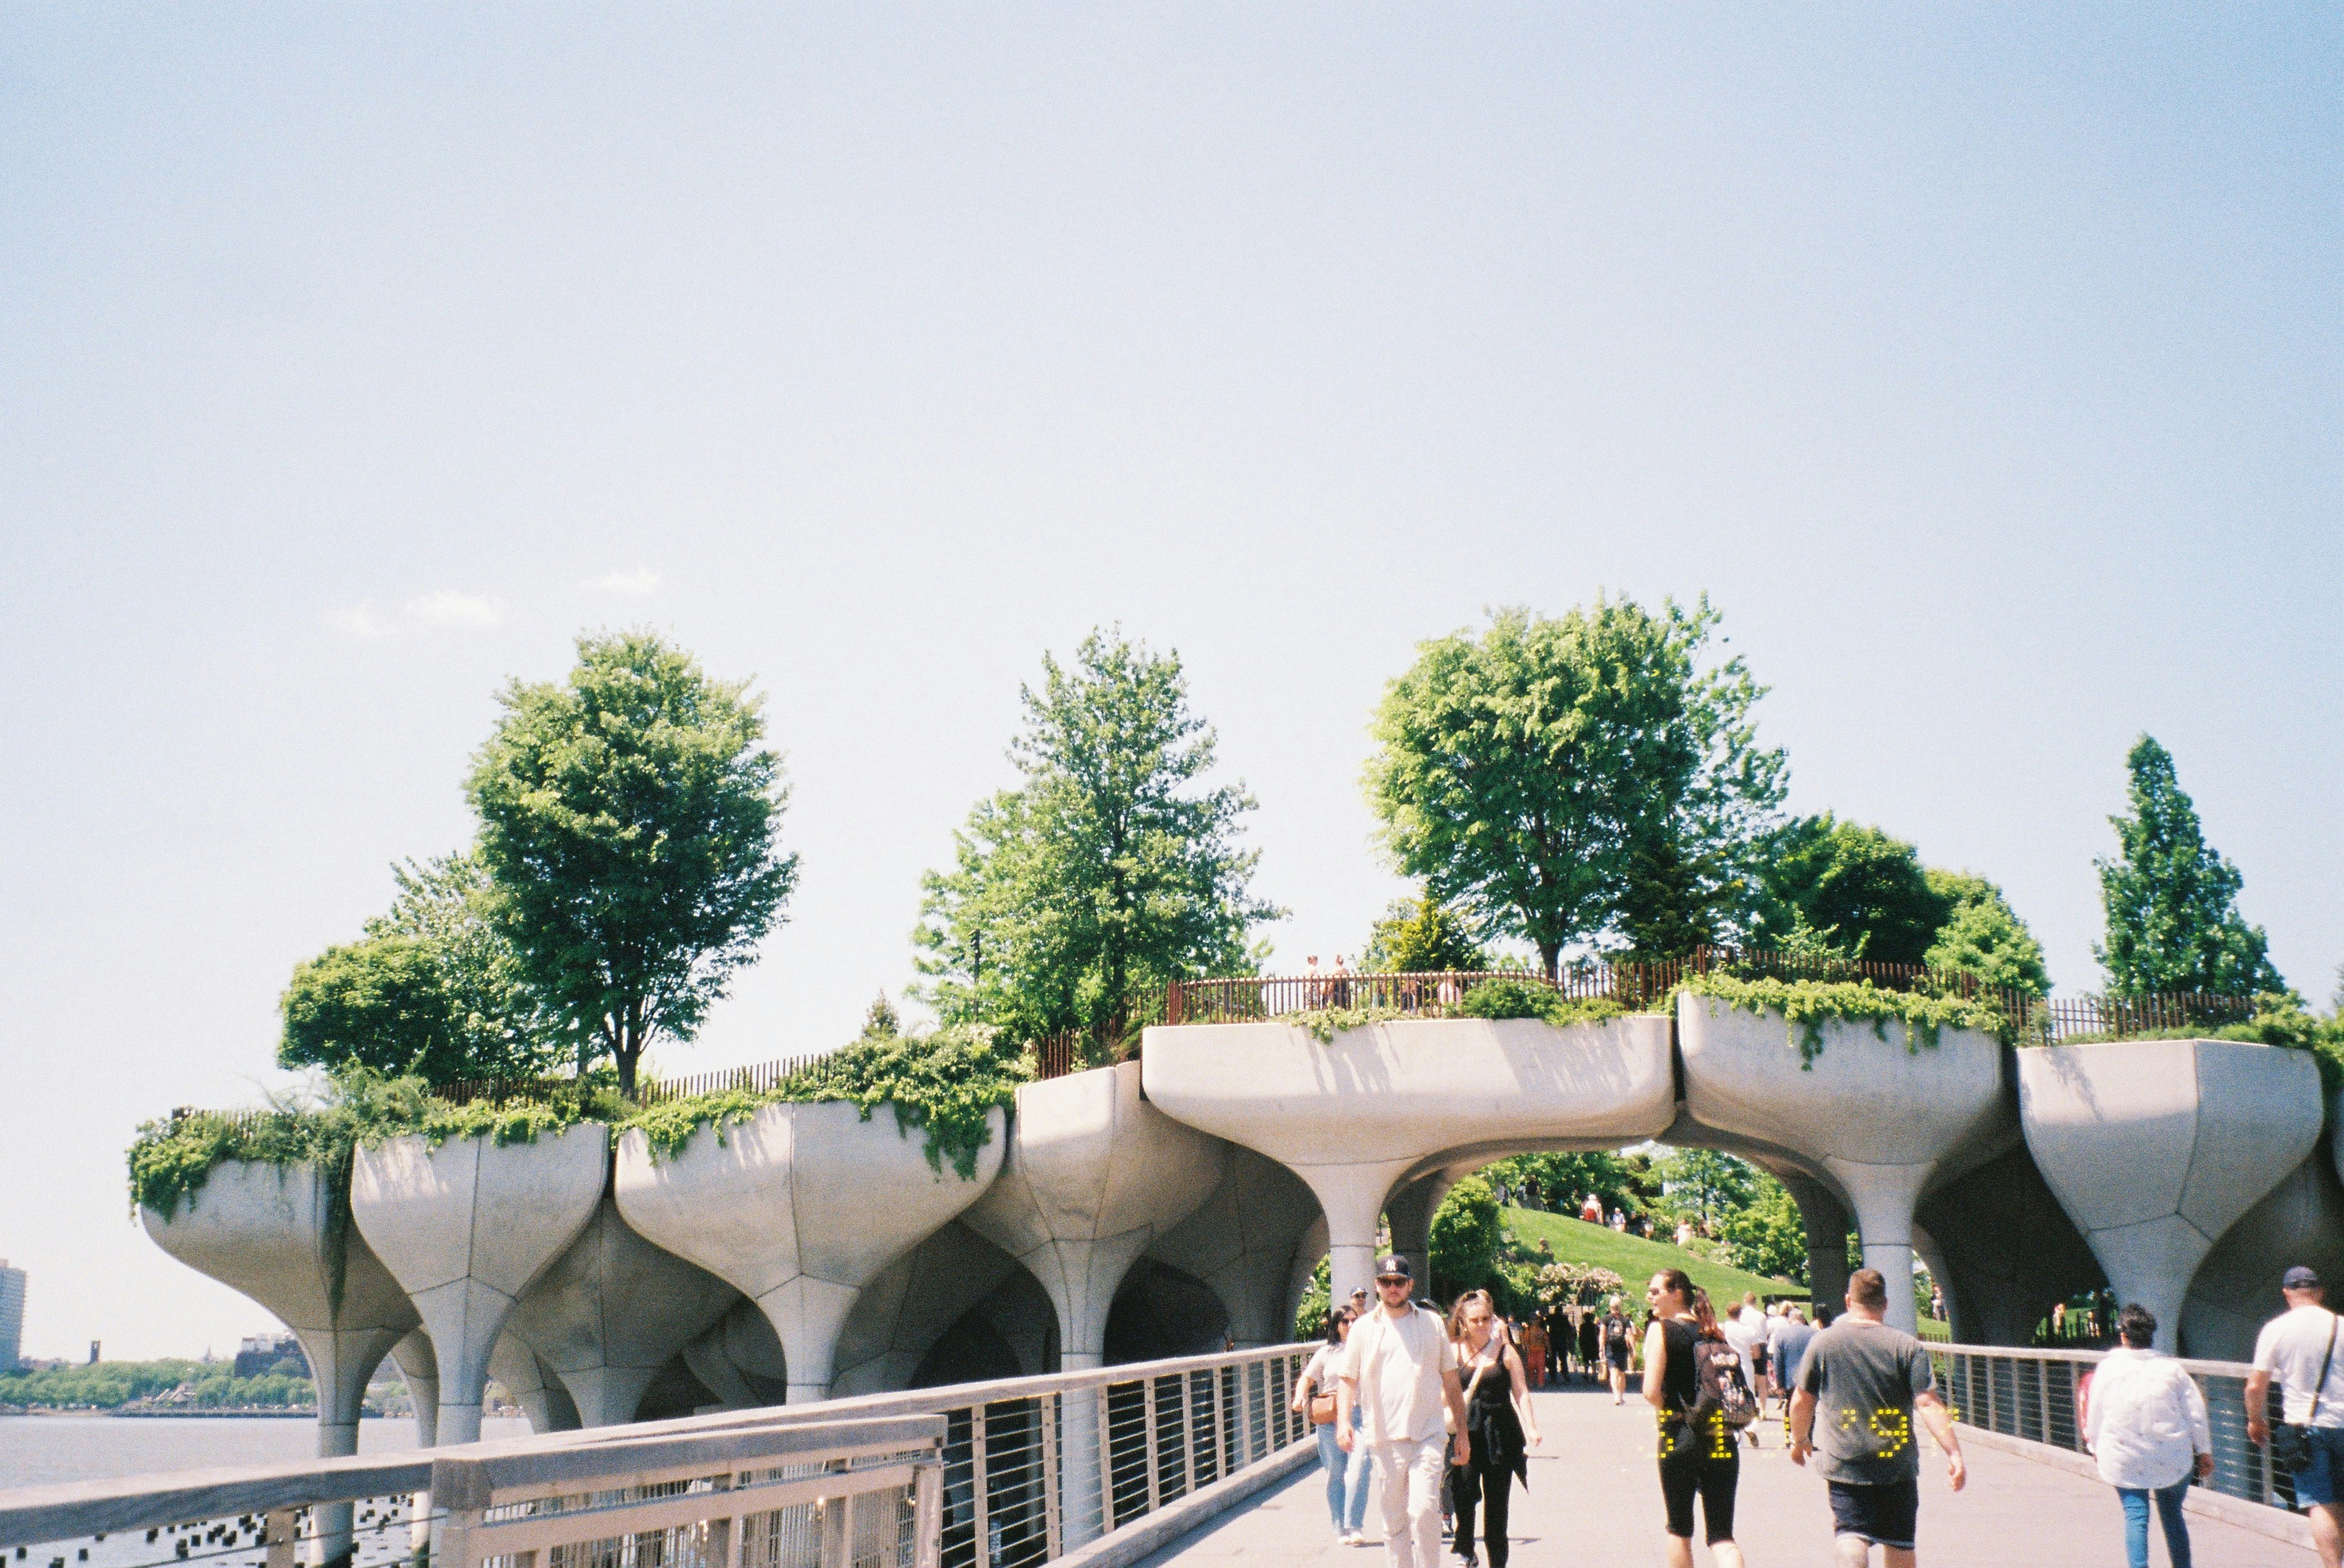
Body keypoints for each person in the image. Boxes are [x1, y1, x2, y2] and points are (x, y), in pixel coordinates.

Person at [1790, 1268, 1966, 1568]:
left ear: (1848, 1301)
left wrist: (1800, 1440)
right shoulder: (1906, 1346)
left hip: (1846, 1462)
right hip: (1896, 1464)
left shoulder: (1824, 1343)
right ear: (1885, 1304)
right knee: (1900, 1544)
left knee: (1850, 1535)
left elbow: (1801, 1400)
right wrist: (1954, 1452)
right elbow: (1927, 1402)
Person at [1337, 1255, 1470, 1568]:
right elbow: (1347, 1380)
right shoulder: (1363, 1329)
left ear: (1410, 1285)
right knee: (1395, 1520)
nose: (1393, 1288)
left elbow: (1451, 1382)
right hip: (1384, 1438)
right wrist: (1344, 1421)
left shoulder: (1431, 1323)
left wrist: (1462, 1433)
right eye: (1386, 1282)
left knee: (1425, 1511)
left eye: (1399, 1282)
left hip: (1428, 1434)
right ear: (1377, 1286)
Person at [2084, 1303, 2211, 1568]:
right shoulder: (2173, 1369)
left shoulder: (2107, 1369)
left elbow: (2095, 1412)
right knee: (2173, 1515)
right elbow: (2195, 1413)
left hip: (2125, 1455)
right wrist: (2204, 1450)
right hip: (2172, 1455)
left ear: (2123, 1334)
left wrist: (2095, 1446)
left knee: (2136, 1516)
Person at [1645, 1270, 1746, 1568]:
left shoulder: (1661, 1330)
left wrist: (1672, 1411)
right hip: (1721, 1435)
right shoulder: (1712, 1330)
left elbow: (1651, 1391)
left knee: (1679, 1528)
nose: (1649, 1297)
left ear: (1676, 1293)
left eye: (1655, 1291)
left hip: (1680, 1436)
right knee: (1722, 1536)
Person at [2247, 1264, 2344, 1568]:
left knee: (2321, 1504)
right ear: (2320, 1293)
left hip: (2306, 1428)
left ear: (2287, 1293)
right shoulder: (2342, 1325)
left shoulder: (2276, 1329)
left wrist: (2256, 1420)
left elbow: (2255, 1385)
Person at [1444, 1290, 1541, 1568]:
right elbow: (1442, 1391)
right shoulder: (1453, 1351)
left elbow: (1521, 1391)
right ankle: (1466, 1548)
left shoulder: (1506, 1351)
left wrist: (1531, 1427)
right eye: (1475, 1320)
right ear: (1463, 1321)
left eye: (1486, 1319)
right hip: (1466, 1432)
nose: (1481, 1324)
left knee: (1497, 1505)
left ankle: (1497, 1561)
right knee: (1463, 1493)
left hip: (1500, 1433)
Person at [1293, 1305, 1374, 1546]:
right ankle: (1340, 1527)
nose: (1350, 1326)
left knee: (1361, 1465)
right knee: (1335, 1474)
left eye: (1354, 1321)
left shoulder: (1366, 1350)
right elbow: (1307, 1379)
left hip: (1359, 1414)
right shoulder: (1327, 1352)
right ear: (1336, 1326)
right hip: (1329, 1416)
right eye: (1345, 1322)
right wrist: (1299, 1396)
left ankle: (1354, 1525)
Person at [1771, 1305, 1818, 1424]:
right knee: (1809, 1409)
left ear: (1789, 1320)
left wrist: (1780, 1385)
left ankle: (1790, 1437)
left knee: (1790, 1408)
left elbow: (1778, 1361)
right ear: (1803, 1320)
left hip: (1790, 1380)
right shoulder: (1814, 1334)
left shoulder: (1781, 1336)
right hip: (1810, 1378)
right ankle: (1808, 1437)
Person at [1603, 1297, 1635, 1404]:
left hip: (1611, 1348)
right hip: (1622, 1349)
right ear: (1620, 1306)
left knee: (1613, 1373)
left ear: (1610, 1306)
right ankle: (1621, 1396)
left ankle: (1616, 1395)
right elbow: (1630, 1335)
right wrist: (1633, 1350)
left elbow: (1602, 1335)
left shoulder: (1606, 1319)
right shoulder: (1625, 1320)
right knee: (1621, 1374)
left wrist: (1601, 1348)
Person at [1520, 1313, 1549, 1391]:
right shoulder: (1528, 1330)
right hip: (1531, 1351)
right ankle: (1531, 1381)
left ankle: (1541, 1382)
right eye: (1533, 1320)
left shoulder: (1542, 1330)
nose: (1535, 1321)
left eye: (1536, 1319)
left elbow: (1546, 1340)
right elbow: (1525, 1340)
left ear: (1539, 1321)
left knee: (1541, 1367)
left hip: (1541, 1350)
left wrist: (1549, 1350)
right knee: (1531, 1367)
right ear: (1531, 1321)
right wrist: (1527, 1348)